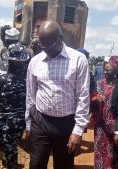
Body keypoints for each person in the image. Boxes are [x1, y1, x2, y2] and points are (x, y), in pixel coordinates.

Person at [26, 21, 90, 169]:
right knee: (36, 164)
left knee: (64, 165)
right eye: (43, 45)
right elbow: (30, 94)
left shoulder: (78, 59)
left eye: (51, 44)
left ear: (61, 37)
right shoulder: (35, 61)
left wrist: (78, 130)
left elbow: (83, 96)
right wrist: (29, 124)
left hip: (66, 123)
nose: (47, 49)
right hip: (40, 120)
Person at [91, 56, 118, 169]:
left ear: (116, 71)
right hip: (101, 122)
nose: (105, 72)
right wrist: (95, 98)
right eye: (105, 69)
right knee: (100, 149)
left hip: (117, 123)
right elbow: (92, 97)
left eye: (108, 70)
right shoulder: (100, 82)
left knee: (115, 151)